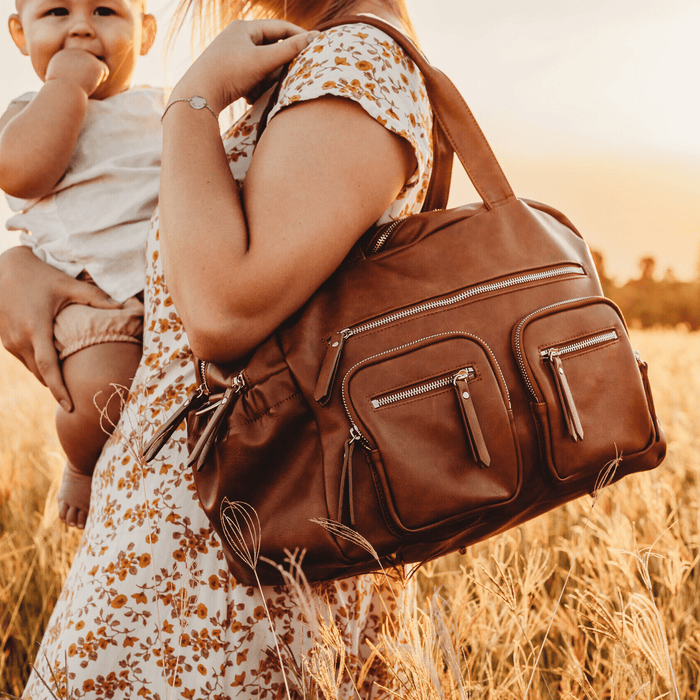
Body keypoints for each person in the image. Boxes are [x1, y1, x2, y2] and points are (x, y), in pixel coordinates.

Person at [0, 0, 434, 695]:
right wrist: (20, 269)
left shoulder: (355, 64)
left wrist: (192, 104)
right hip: (184, 557)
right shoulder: (309, 62)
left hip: (222, 573)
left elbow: (224, 308)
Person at [0, 0, 161, 530]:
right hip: (88, 294)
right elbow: (21, 174)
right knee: (100, 399)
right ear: (20, 35)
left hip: (170, 289)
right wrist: (67, 87)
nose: (81, 27)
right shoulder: (29, 109)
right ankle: (82, 466)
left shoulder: (166, 105)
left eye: (105, 12)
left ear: (145, 34)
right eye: (57, 13)